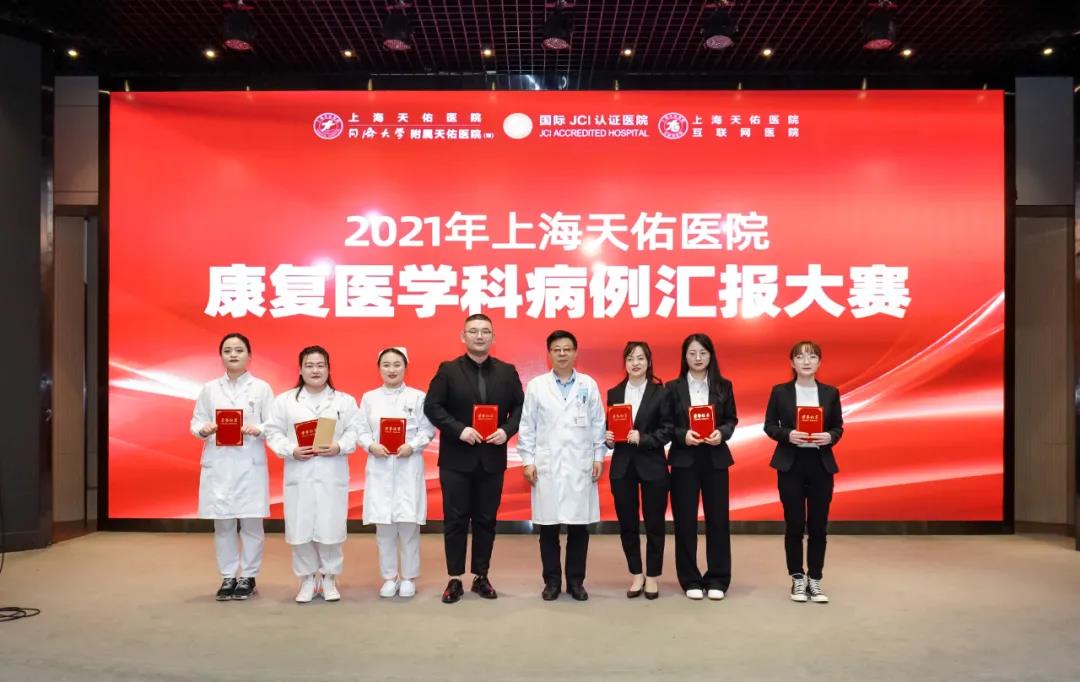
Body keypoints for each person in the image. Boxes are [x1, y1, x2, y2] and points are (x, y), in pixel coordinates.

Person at [424, 313, 524, 604]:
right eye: (473, 331)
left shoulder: (507, 371)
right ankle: (455, 578)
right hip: (456, 459)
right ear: (463, 336)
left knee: (486, 519)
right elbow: (433, 406)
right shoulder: (448, 370)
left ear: (493, 337)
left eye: (485, 331)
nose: (479, 336)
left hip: (491, 458)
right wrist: (459, 430)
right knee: (455, 519)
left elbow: (521, 407)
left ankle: (481, 576)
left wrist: (506, 430)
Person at [264, 345, 359, 604]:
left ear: (328, 369)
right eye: (309, 365)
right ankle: (306, 579)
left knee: (331, 527)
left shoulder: (344, 401)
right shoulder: (285, 401)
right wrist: (291, 450)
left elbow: (355, 430)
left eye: (320, 365)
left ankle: (329, 578)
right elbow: (273, 432)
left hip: (331, 472)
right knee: (300, 528)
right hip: (300, 472)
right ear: (300, 369)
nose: (315, 370)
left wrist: (339, 446)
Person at [518, 330, 606, 601]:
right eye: (557, 350)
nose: (562, 354)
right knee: (549, 528)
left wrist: (598, 457)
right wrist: (528, 461)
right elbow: (527, 426)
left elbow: (598, 423)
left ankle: (576, 582)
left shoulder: (588, 385)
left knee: (579, 528)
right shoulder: (537, 386)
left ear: (575, 352)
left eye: (567, 349)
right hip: (548, 465)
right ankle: (552, 582)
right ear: (549, 354)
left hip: (580, 464)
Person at [189, 332, 274, 601]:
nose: (233, 354)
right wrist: (204, 429)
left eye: (239, 350)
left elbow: (273, 423)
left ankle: (248, 575)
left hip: (249, 463)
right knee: (223, 524)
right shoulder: (209, 389)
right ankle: (228, 576)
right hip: (220, 463)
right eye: (227, 350)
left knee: (251, 523)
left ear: (249, 355)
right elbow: (195, 422)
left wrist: (257, 429)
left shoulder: (261, 388)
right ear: (221, 356)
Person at [763, 340, 844, 604]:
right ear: (792, 363)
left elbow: (838, 427)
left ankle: (815, 578)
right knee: (795, 524)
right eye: (800, 357)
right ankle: (797, 577)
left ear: (820, 362)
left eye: (812, 357)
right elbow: (769, 426)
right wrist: (788, 434)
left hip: (820, 465)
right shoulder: (780, 392)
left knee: (819, 525)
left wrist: (829, 437)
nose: (806, 361)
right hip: (791, 464)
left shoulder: (830, 393)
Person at [663, 333, 738, 601]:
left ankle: (718, 578)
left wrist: (722, 433)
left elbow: (731, 419)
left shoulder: (723, 385)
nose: (698, 358)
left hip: (715, 459)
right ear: (684, 357)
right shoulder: (672, 388)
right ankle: (690, 578)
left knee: (718, 520)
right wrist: (683, 435)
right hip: (684, 460)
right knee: (685, 521)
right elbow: (667, 424)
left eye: (703, 353)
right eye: (692, 353)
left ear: (711, 355)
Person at [355, 347, 436, 599]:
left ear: (405, 367)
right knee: (384, 528)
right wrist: (371, 445)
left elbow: (427, 430)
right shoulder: (369, 398)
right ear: (379, 368)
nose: (392, 369)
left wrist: (412, 446)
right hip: (380, 466)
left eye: (397, 364)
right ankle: (389, 577)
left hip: (407, 465)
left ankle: (409, 577)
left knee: (408, 525)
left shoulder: (418, 397)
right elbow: (360, 430)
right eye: (386, 365)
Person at [604, 341, 670, 600]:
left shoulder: (660, 392)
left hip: (652, 465)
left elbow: (667, 430)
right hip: (623, 467)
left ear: (649, 362)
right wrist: (609, 438)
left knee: (654, 523)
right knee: (627, 524)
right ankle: (636, 573)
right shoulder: (614, 392)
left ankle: (652, 575)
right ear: (625, 362)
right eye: (630, 358)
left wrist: (643, 438)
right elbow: (610, 427)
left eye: (641, 358)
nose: (635, 363)